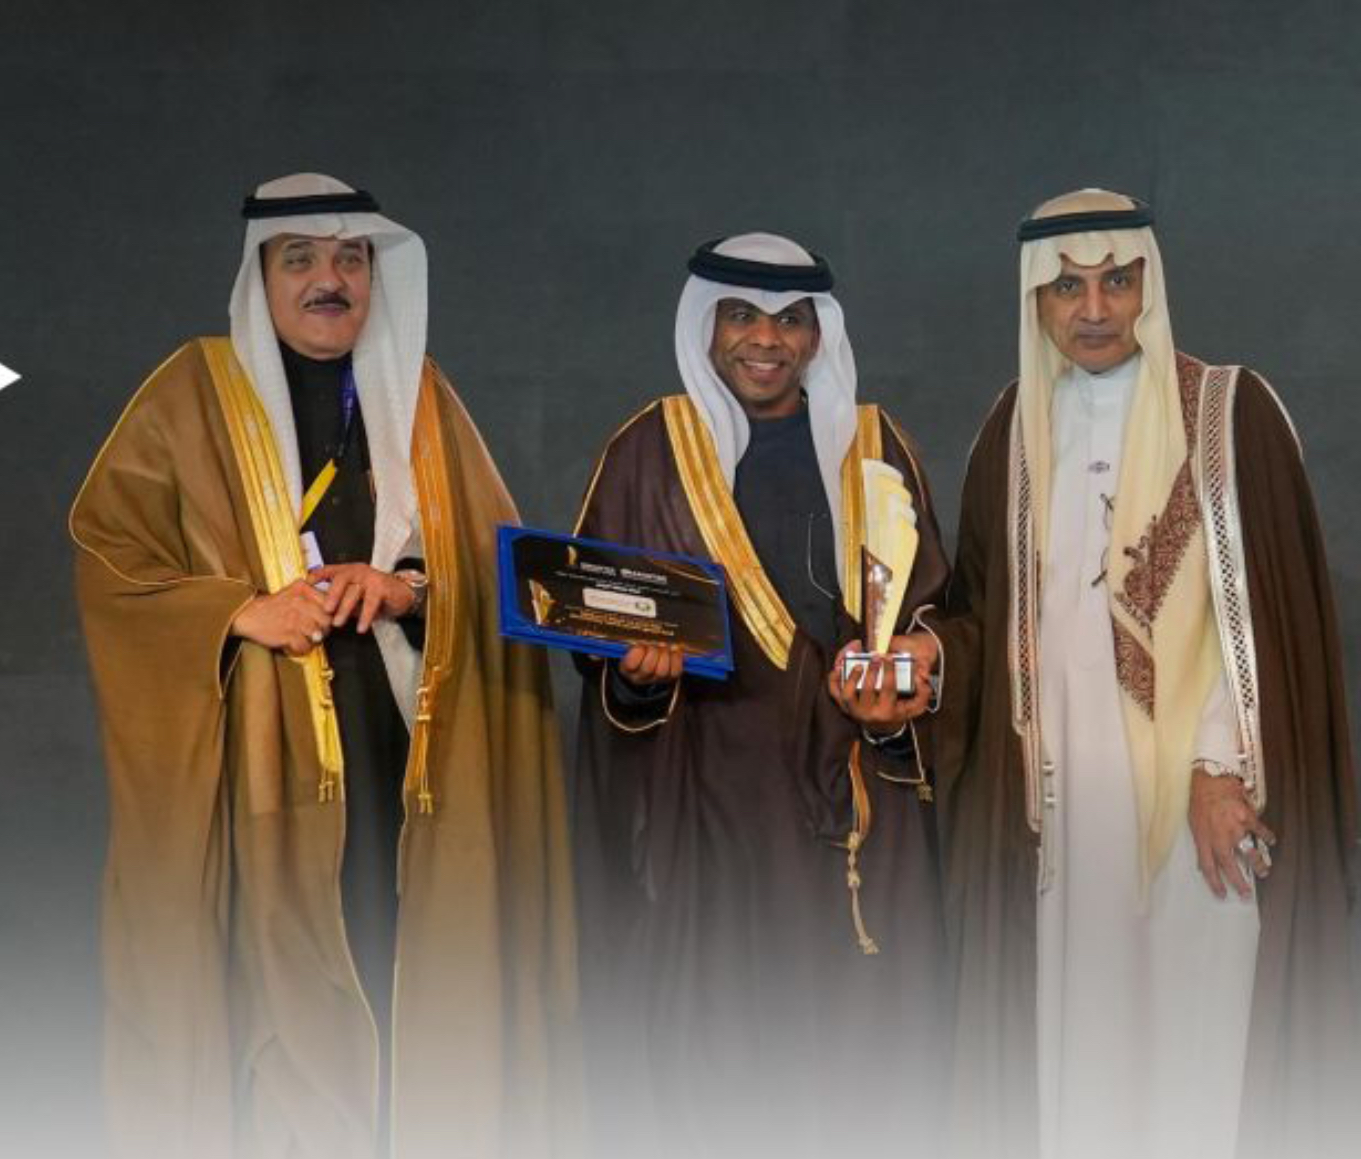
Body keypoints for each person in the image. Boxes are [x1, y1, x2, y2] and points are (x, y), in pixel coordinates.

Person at [70, 173, 579, 1159]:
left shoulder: (422, 400)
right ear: (259, 276)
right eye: (299, 259)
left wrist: (408, 588)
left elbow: (497, 566)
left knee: (403, 963)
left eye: (350, 260)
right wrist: (239, 612)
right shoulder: (187, 395)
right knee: (275, 1004)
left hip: (405, 756)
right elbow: (111, 559)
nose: (328, 280)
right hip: (259, 768)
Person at [929, 188, 1360, 1159]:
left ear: (1147, 287)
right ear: (1034, 300)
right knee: (1079, 1047)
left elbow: (1261, 617)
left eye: (1116, 283)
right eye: (1066, 288)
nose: (1093, 310)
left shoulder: (1229, 412)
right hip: (1061, 807)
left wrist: (1220, 766)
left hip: (1199, 801)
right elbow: (982, 614)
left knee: (1199, 1033)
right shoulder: (1011, 427)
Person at [572, 233, 950, 1159]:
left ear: (818, 336)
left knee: (858, 1042)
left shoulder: (875, 443)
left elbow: (933, 611)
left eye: (790, 320)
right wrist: (633, 676)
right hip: (708, 791)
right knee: (718, 1042)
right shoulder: (648, 448)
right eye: (741, 316)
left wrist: (903, 677)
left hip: (854, 790)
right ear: (706, 327)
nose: (766, 340)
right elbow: (597, 635)